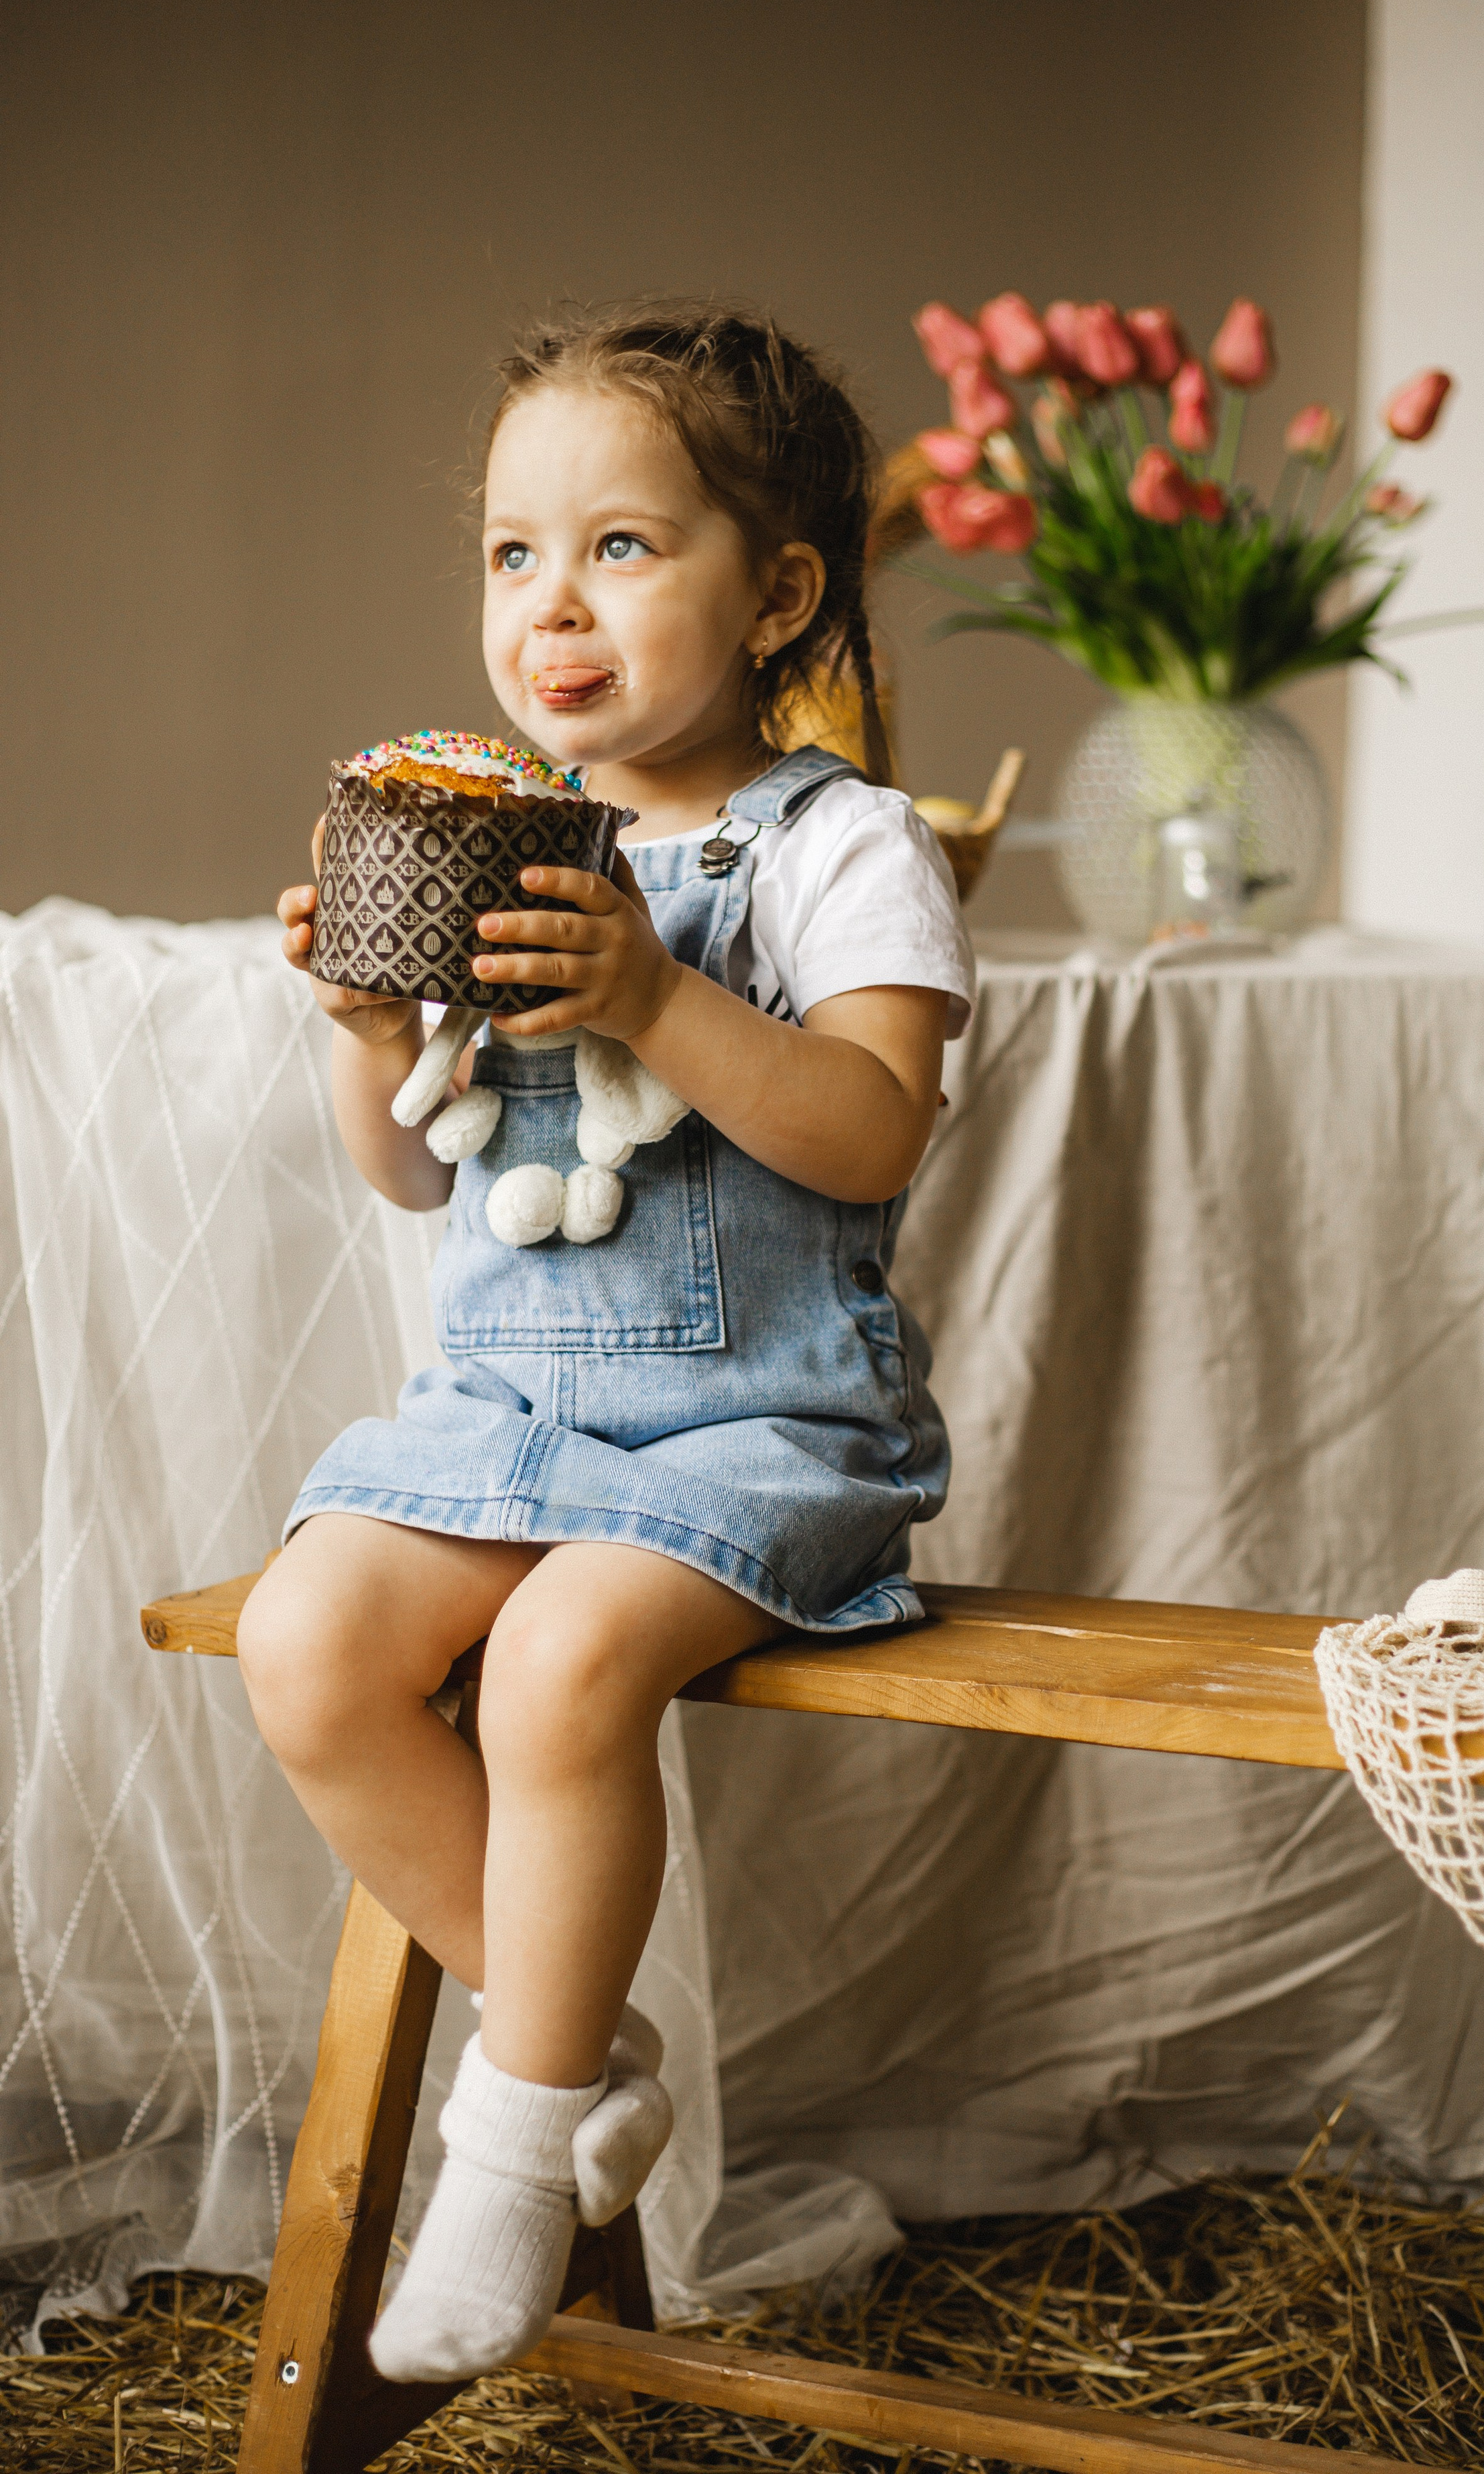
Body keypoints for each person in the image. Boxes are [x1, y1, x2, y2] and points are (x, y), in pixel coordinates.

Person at [240, 306, 975, 2383]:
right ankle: (580, 2056)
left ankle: (500, 2155)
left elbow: (867, 1130)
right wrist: (371, 1036)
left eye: (625, 549)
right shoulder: (488, 838)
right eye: (509, 554)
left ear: (783, 593)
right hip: (519, 1415)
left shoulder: (845, 849)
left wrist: (658, 998)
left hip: (765, 1430)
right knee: (311, 1645)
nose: (551, 604)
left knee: (563, 1660)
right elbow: (406, 1182)